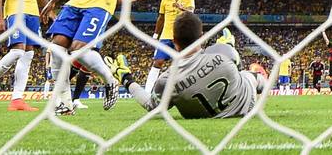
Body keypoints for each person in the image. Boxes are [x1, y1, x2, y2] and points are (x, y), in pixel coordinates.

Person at [109, 12, 268, 118]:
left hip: (204, 114)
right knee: (251, 76)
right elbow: (236, 67)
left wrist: (127, 79)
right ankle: (228, 42)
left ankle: (227, 44)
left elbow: (152, 106)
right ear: (202, 36)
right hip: (247, 104)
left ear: (174, 41)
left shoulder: (167, 80)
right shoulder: (222, 54)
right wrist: (226, 47)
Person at [149, 0, 194, 90]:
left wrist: (182, 8)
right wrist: (155, 35)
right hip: (165, 36)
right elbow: (161, 18)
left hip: (181, 37)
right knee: (158, 62)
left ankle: (182, 90)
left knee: (181, 64)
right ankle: (148, 90)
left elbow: (191, 12)